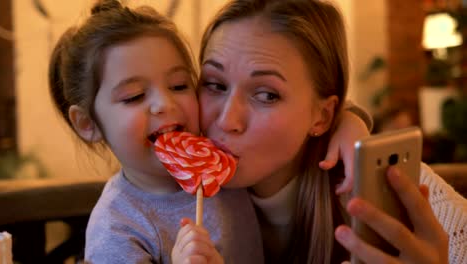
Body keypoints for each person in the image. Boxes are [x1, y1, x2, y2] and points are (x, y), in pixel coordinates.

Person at [198, 0, 466, 263]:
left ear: (323, 116)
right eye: (215, 85)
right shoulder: (171, 183)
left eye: (267, 95)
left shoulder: (397, 187)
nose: (226, 120)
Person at [48, 0, 264, 263]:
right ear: (87, 124)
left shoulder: (227, 164)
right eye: (134, 96)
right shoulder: (116, 229)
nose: (164, 104)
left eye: (179, 85)